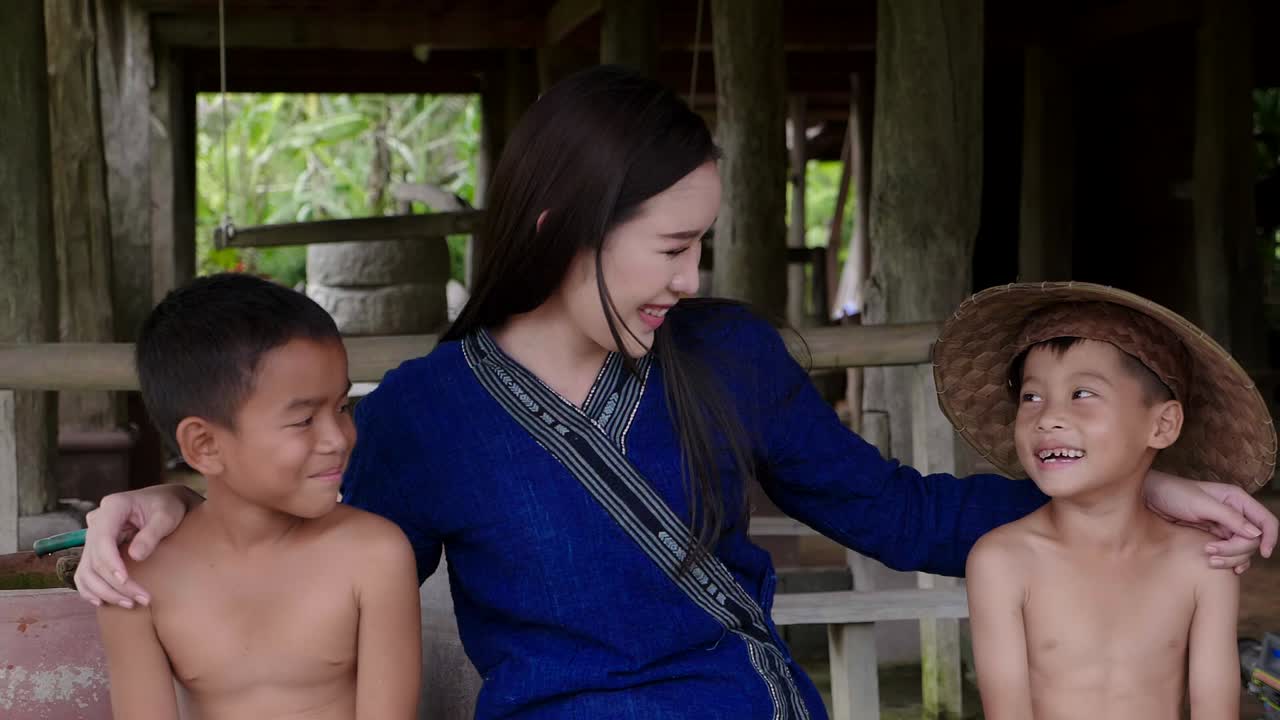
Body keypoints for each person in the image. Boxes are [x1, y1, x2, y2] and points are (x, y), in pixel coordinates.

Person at [76, 67, 1276, 720]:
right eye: (667, 248)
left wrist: (1137, 490)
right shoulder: (433, 415)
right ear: (559, 226)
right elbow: (278, 500)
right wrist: (167, 501)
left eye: (699, 247)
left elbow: (901, 515)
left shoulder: (726, 356)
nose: (689, 280)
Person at [938, 284, 1277, 720]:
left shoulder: (1201, 562)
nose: (1048, 417)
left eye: (1081, 394)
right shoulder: (1002, 561)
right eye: (1031, 396)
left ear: (1162, 425)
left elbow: (1217, 711)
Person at [95, 274, 421, 720]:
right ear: (205, 445)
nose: (337, 438)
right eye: (304, 419)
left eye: (342, 408)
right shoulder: (137, 579)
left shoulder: (375, 556)